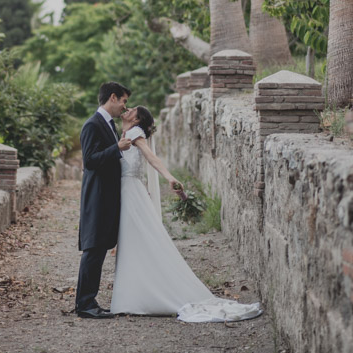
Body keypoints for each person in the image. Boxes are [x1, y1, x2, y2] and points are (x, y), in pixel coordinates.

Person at [110, 106, 263, 323]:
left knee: (136, 239)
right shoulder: (123, 135)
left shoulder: (134, 134)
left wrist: (169, 177)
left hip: (131, 192)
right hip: (128, 191)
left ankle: (136, 296)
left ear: (136, 119)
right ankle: (136, 291)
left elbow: (152, 158)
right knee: (133, 241)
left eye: (132, 109)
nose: (127, 109)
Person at [75, 81, 132, 319]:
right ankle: (85, 304)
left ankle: (89, 301)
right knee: (93, 250)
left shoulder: (109, 124)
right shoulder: (92, 124)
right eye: (123, 101)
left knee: (98, 249)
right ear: (112, 97)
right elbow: (90, 161)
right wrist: (117, 148)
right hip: (96, 197)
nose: (124, 107)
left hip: (107, 197)